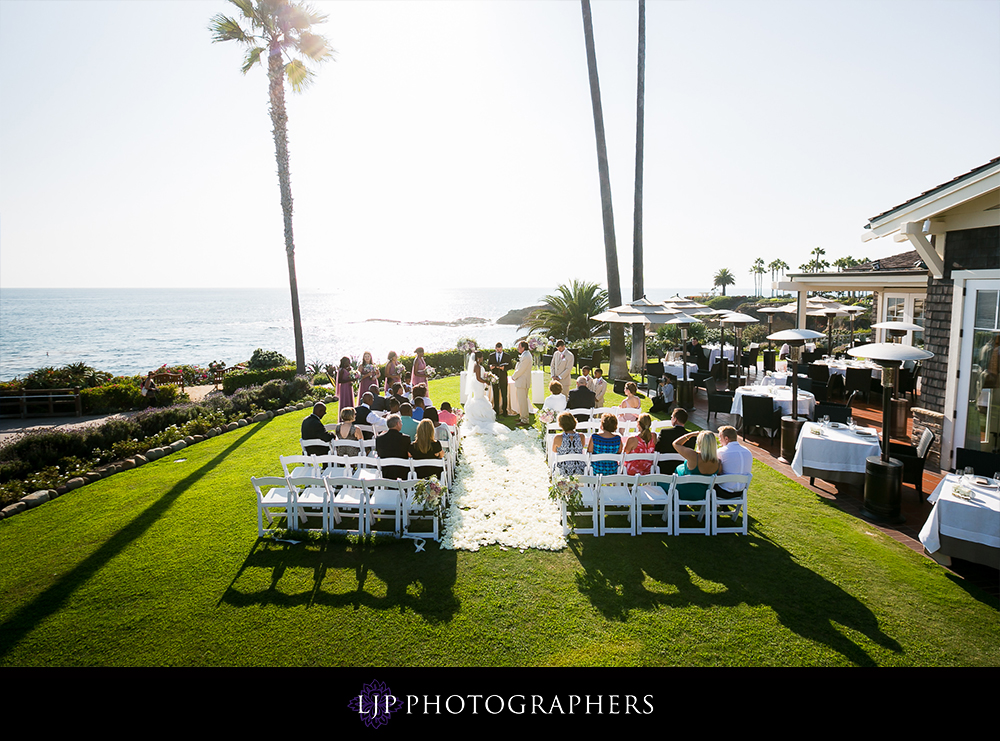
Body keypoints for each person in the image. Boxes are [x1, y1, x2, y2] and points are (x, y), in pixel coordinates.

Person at [463, 350, 508, 435]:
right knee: (479, 398)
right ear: (478, 358)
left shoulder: (478, 365)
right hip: (478, 384)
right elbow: (478, 378)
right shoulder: (477, 366)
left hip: (479, 384)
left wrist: (488, 376)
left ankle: (480, 415)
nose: (483, 358)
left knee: (480, 398)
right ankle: (479, 416)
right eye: (482, 357)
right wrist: (486, 382)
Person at [672, 430, 721, 501]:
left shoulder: (693, 456)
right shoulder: (718, 463)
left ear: (700, 443)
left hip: (682, 492)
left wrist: (690, 435)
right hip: (702, 495)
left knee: (659, 483)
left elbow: (675, 444)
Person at [717, 425, 753, 496]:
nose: (719, 440)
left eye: (720, 438)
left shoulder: (721, 452)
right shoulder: (747, 451)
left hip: (724, 491)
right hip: (741, 491)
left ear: (726, 439)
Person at [375, 414, 411, 480]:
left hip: (386, 471)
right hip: (402, 471)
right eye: (401, 422)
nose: (402, 424)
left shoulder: (379, 438)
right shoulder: (406, 438)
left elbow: (379, 453)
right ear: (398, 423)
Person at [655, 407, 689, 474]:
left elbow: (657, 448)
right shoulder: (690, 437)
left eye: (671, 417)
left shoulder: (665, 432)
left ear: (675, 419)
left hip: (664, 468)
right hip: (682, 469)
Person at [551, 411, 586, 476]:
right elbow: (582, 447)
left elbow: (554, 450)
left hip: (563, 470)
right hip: (579, 470)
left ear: (560, 424)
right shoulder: (581, 436)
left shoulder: (558, 437)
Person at [511, 341, 533, 427]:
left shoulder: (526, 356)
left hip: (522, 381)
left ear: (523, 347)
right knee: (521, 400)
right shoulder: (525, 355)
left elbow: (521, 369)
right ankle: (522, 416)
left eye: (519, 347)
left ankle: (525, 419)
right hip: (521, 381)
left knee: (523, 401)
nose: (518, 349)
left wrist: (514, 376)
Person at [488, 342, 512, 417]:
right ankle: (496, 410)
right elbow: (488, 364)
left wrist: (504, 368)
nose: (499, 350)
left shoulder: (507, 356)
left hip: (503, 377)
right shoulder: (491, 356)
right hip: (494, 377)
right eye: (497, 349)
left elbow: (511, 366)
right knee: (495, 394)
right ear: (495, 348)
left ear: (502, 348)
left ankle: (505, 411)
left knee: (504, 394)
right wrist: (490, 367)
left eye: (500, 349)